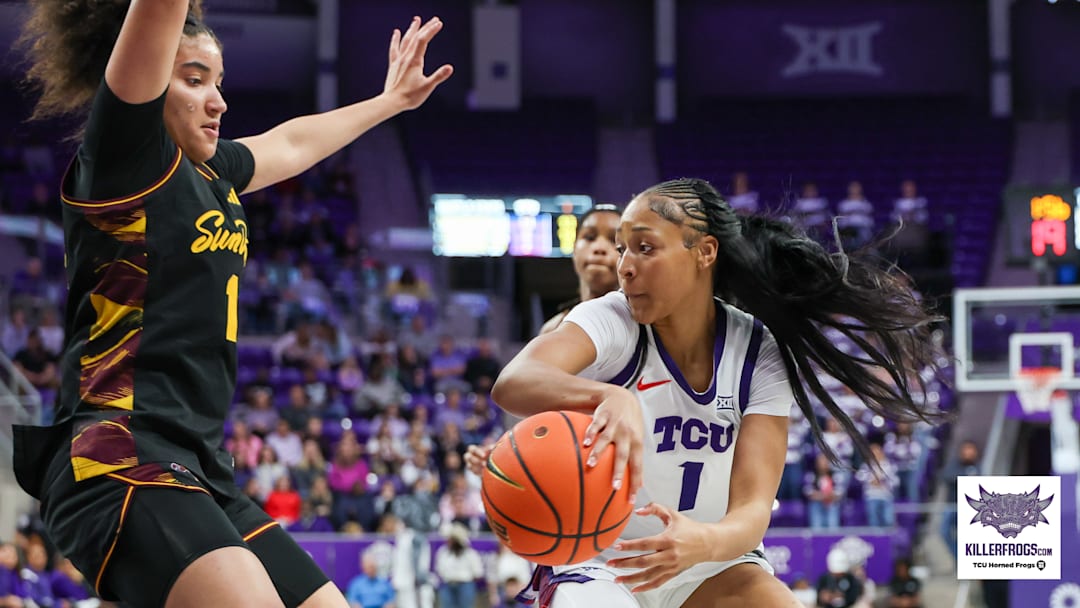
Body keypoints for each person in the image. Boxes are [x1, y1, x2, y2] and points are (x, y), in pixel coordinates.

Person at [10, 2, 452, 607]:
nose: (216, 101)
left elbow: (292, 142)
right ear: (141, 82)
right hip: (118, 454)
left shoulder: (213, 173)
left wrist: (391, 101)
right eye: (194, 80)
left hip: (200, 468)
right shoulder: (124, 157)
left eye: (218, 83)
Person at [488, 177, 940, 607]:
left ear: (704, 252)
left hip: (707, 561)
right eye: (624, 249)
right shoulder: (611, 318)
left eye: (644, 248)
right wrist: (607, 396)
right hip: (600, 561)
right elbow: (515, 381)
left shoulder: (757, 351)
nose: (624, 266)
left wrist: (703, 541)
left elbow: (753, 508)